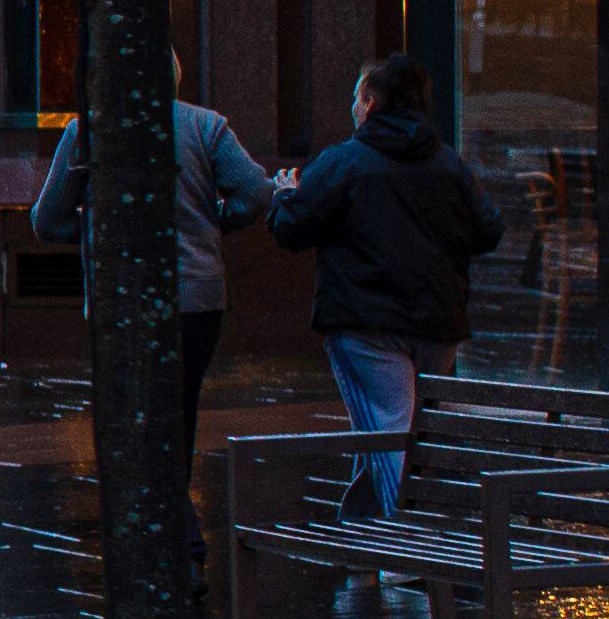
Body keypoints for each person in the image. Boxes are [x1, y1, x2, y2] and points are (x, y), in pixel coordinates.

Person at [269, 54, 508, 519]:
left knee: (389, 428)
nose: (353, 107)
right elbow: (489, 231)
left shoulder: (343, 163)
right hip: (439, 323)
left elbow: (292, 230)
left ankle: (408, 547)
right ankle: (365, 530)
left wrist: (283, 194)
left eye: (357, 97)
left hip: (366, 323)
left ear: (371, 103)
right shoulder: (449, 165)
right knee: (400, 427)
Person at [29, 83, 277, 507]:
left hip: (122, 299)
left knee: (135, 417)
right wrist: (217, 222)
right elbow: (256, 191)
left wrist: (99, 237)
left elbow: (47, 220)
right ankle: (178, 524)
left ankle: (162, 524)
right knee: (180, 411)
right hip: (197, 297)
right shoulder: (205, 126)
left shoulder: (85, 131)